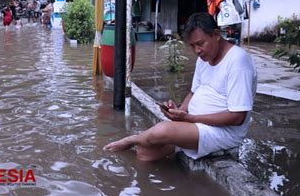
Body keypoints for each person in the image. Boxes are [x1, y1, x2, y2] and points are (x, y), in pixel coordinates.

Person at [103, 12, 257, 161]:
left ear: (216, 35)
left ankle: (132, 139)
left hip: (223, 132)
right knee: (146, 153)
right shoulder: (204, 58)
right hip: (196, 124)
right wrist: (180, 111)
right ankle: (174, 146)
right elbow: (193, 92)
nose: (197, 51)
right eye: (192, 46)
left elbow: (238, 117)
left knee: (162, 130)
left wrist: (190, 118)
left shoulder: (238, 62)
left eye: (200, 44)